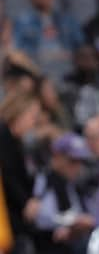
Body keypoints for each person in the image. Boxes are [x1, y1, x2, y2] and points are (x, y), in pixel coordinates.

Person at [32, 133, 94, 254]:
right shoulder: (45, 179)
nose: (78, 167)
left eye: (80, 161)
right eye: (72, 161)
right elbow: (40, 218)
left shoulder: (77, 184)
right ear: (57, 157)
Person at [0, 91, 42, 254]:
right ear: (18, 112)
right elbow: (7, 175)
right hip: (7, 219)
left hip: (17, 219)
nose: (34, 122)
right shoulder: (3, 136)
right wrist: (25, 201)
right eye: (32, 116)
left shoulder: (18, 142)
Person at [12, 0, 84, 65]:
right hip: (38, 68)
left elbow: (80, 45)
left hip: (68, 66)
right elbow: (17, 50)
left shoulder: (67, 20)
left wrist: (71, 54)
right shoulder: (23, 22)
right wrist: (42, 56)